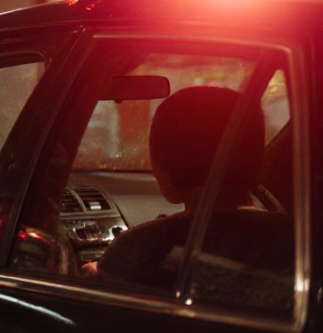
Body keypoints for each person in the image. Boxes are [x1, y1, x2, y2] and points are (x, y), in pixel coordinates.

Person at [93, 86, 294, 305]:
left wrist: (99, 275)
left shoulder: (137, 249)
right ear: (258, 160)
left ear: (164, 169)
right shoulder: (298, 239)